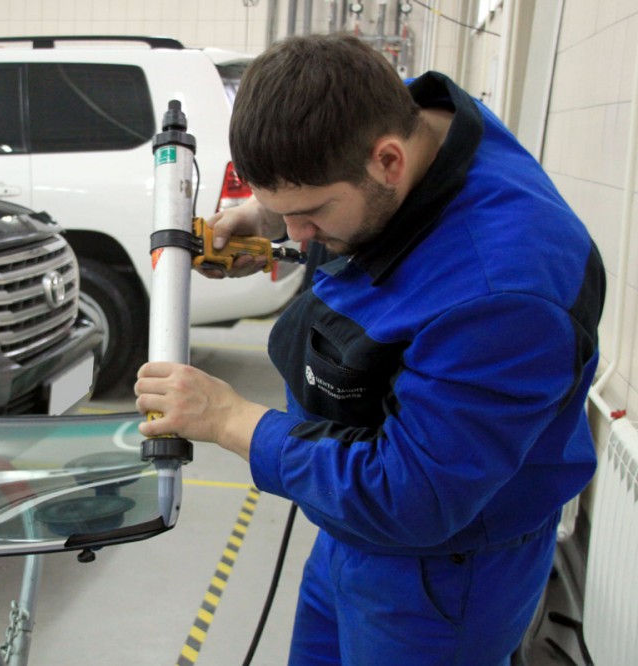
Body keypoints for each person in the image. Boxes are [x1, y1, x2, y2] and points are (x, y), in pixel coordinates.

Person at [135, 34, 605, 665]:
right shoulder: (401, 122)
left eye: (311, 212)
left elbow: (414, 496)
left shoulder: (503, 293)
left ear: (389, 162)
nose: (300, 236)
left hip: (441, 573)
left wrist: (229, 420)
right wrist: (266, 218)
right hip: (352, 523)